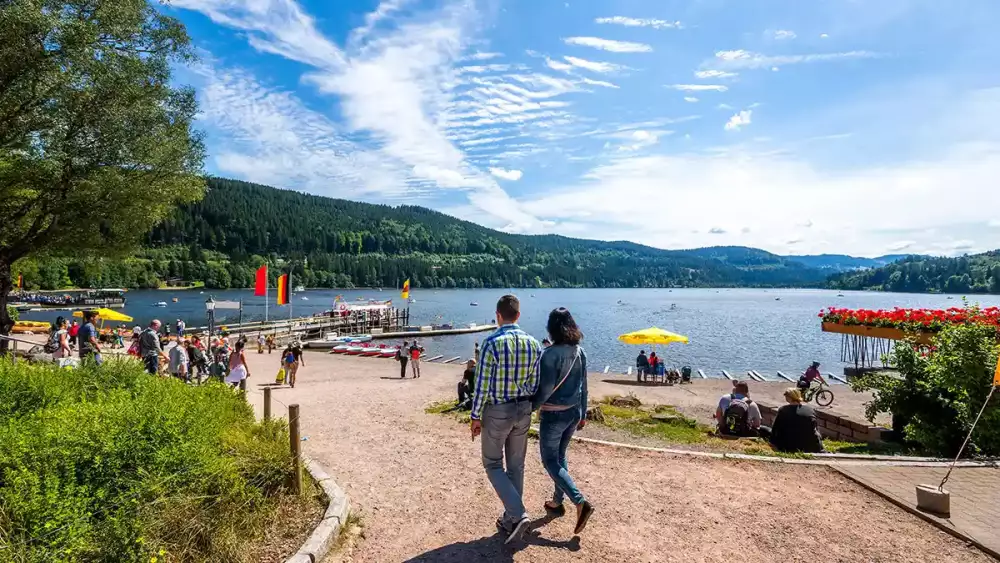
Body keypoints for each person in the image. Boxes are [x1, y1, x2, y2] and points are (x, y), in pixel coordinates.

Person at [470, 295, 542, 544]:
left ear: (498, 315)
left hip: (498, 410)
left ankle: (518, 513)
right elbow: (536, 383)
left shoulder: (491, 343)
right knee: (516, 466)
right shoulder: (534, 344)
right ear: (518, 316)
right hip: (524, 409)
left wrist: (475, 415)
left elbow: (481, 385)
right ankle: (512, 518)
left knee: (492, 464)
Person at [533, 308, 594, 535]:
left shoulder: (549, 354)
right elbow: (584, 386)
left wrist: (530, 407)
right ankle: (557, 503)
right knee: (559, 457)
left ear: (552, 328)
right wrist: (584, 413)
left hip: (554, 415)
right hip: (574, 412)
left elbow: (545, 390)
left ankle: (580, 502)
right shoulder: (580, 352)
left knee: (550, 461)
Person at [770, 388, 825, 453]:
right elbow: (815, 428)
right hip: (810, 446)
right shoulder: (810, 410)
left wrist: (772, 442)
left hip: (788, 446)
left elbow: (775, 428)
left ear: (789, 398)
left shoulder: (783, 410)